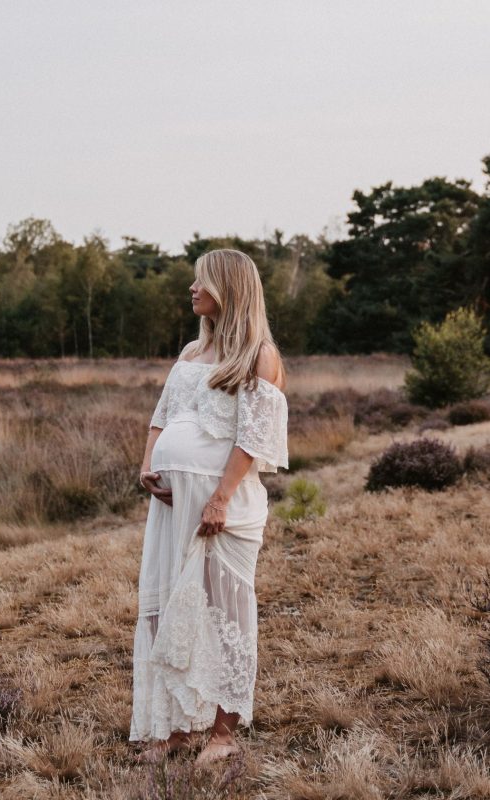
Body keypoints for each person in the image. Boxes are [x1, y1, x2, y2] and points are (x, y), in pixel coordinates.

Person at [130, 248, 289, 766]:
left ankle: (223, 732)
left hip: (222, 505)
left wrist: (219, 497)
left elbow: (253, 437)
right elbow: (161, 416)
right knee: (168, 605)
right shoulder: (188, 355)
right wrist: (149, 464)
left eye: (200, 282)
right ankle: (175, 725)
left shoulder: (259, 355)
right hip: (171, 503)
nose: (191, 290)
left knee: (223, 612)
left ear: (227, 289)